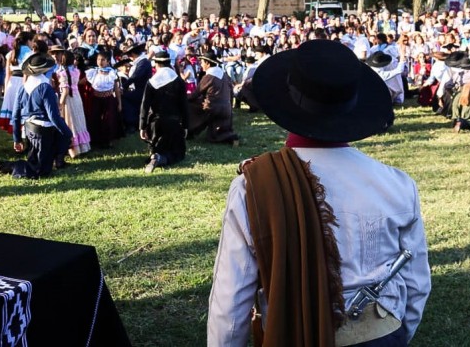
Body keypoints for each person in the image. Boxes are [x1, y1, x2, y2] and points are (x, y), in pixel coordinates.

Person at [207, 40, 430, 347]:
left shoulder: (253, 187)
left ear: (287, 99)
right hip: (382, 334)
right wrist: (397, 334)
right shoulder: (398, 184)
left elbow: (231, 298)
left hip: (292, 333)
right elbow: (417, 284)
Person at [0, 54, 73, 178]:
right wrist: (68, 133)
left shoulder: (23, 88)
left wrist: (17, 138)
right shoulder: (45, 87)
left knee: (38, 164)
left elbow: (15, 116)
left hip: (30, 129)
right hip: (44, 130)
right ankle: (0, 164)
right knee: (39, 170)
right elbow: (53, 116)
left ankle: (57, 160)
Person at [141, 50, 189, 172]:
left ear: (156, 64)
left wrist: (142, 126)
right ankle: (160, 158)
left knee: (158, 146)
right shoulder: (178, 81)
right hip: (174, 125)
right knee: (178, 153)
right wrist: (186, 126)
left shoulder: (151, 82)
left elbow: (145, 106)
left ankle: (155, 155)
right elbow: (184, 106)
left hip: (155, 126)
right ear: (169, 63)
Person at [188, 50, 239, 144]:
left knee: (191, 106)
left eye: (202, 62)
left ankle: (190, 131)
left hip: (213, 108)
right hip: (227, 108)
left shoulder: (209, 76)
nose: (201, 64)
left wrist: (185, 99)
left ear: (207, 63)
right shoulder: (224, 75)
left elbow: (196, 93)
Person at [52, 46, 91, 158]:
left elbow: (65, 90)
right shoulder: (76, 71)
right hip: (77, 98)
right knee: (78, 121)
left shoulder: (63, 73)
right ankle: (82, 146)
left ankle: (73, 150)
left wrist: (60, 104)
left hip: (68, 100)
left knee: (70, 123)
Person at [85, 50, 123, 148]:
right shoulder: (93, 72)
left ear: (107, 61)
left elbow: (116, 89)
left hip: (108, 99)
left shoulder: (112, 73)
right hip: (96, 99)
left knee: (109, 120)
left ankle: (109, 141)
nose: (100, 62)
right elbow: (82, 82)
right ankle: (96, 141)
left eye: (103, 60)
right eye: (98, 59)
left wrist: (119, 103)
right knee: (95, 119)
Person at [119, 42, 151, 133]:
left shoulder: (143, 62)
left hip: (144, 91)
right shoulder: (141, 62)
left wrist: (123, 87)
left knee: (124, 97)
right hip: (140, 90)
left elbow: (136, 76)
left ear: (132, 54)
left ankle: (131, 124)